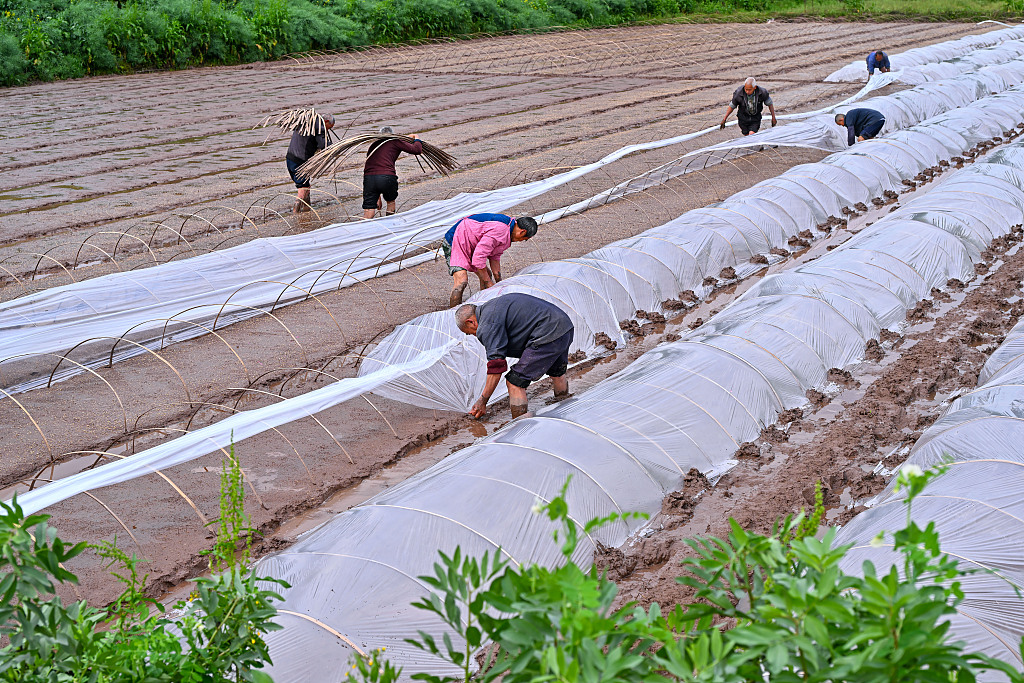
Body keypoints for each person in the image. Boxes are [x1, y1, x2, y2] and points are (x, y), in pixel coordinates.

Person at [456, 293, 574, 419]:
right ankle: (564, 408)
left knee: (514, 382)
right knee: (557, 373)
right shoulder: (492, 307)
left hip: (547, 334)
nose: (476, 335)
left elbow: (496, 366)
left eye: (471, 333)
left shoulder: (487, 324)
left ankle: (521, 428)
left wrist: (482, 401)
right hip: (564, 327)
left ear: (471, 322)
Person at [442, 213, 538, 308]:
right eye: (524, 239)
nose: (521, 241)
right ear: (522, 232)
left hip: (471, 244)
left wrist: (499, 281)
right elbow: (478, 258)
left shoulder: (509, 230)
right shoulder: (500, 230)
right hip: (455, 239)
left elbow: (495, 256)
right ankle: (454, 315)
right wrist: (489, 283)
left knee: (487, 274)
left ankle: (482, 306)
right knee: (461, 281)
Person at [362, 126, 424, 219]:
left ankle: (363, 230)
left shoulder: (374, 145)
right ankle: (389, 225)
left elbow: (371, 164)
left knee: (369, 208)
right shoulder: (395, 141)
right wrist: (417, 138)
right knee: (390, 201)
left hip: (369, 178)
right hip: (387, 177)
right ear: (392, 135)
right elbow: (417, 150)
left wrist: (377, 197)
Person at [286, 113, 334, 214]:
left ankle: (307, 211)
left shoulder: (306, 122)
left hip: (290, 158)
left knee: (306, 186)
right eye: (328, 128)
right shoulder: (319, 126)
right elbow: (323, 145)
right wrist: (335, 146)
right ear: (325, 122)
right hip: (300, 161)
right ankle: (296, 212)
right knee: (302, 188)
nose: (327, 131)